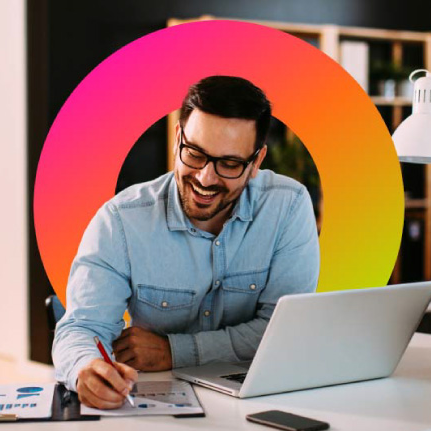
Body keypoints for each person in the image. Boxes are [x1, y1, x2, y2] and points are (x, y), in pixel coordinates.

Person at [53, 76, 320, 409]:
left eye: (230, 164)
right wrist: (84, 368)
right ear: (178, 138)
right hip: (156, 409)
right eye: (194, 153)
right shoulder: (121, 220)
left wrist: (173, 351)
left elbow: (281, 330)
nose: (206, 178)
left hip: (258, 403)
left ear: (256, 162)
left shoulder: (288, 206)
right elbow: (81, 328)